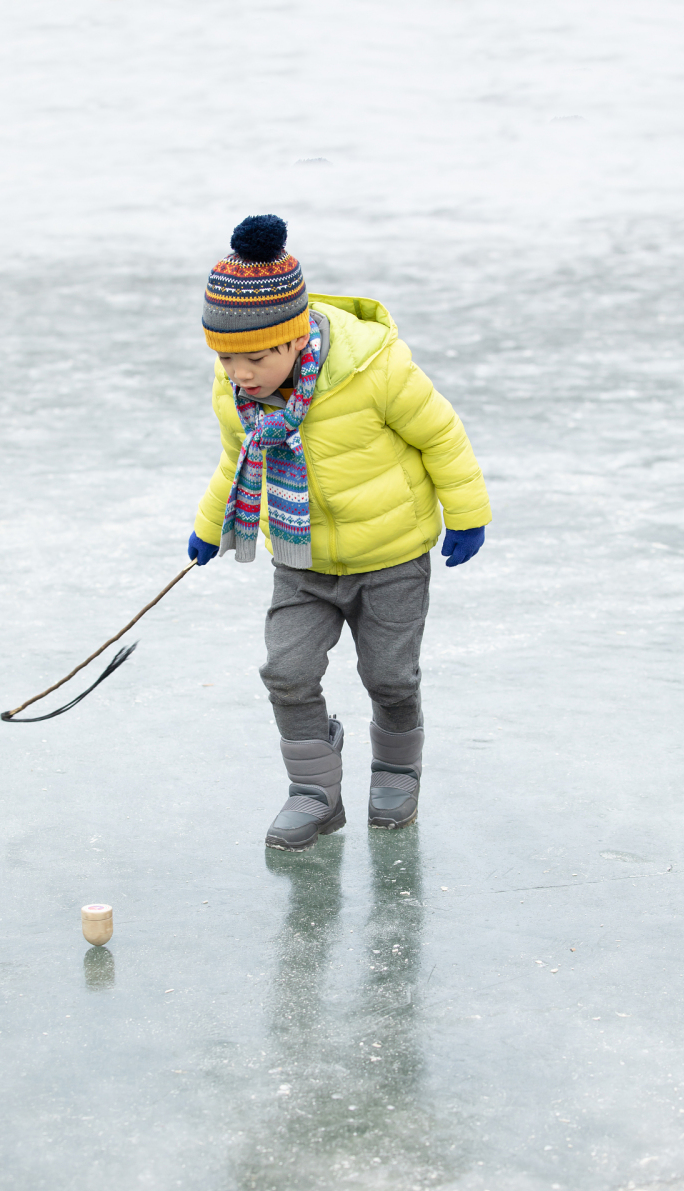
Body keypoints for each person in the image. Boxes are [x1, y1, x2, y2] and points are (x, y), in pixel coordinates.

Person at [189, 214, 491, 851]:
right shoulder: (237, 393)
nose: (239, 373)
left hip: (391, 557)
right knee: (286, 672)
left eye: (255, 358)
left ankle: (397, 773)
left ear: (296, 338)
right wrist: (210, 525)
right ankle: (314, 792)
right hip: (300, 560)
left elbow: (441, 435)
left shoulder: (375, 370)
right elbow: (237, 460)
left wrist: (467, 514)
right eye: (226, 358)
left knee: (391, 678)